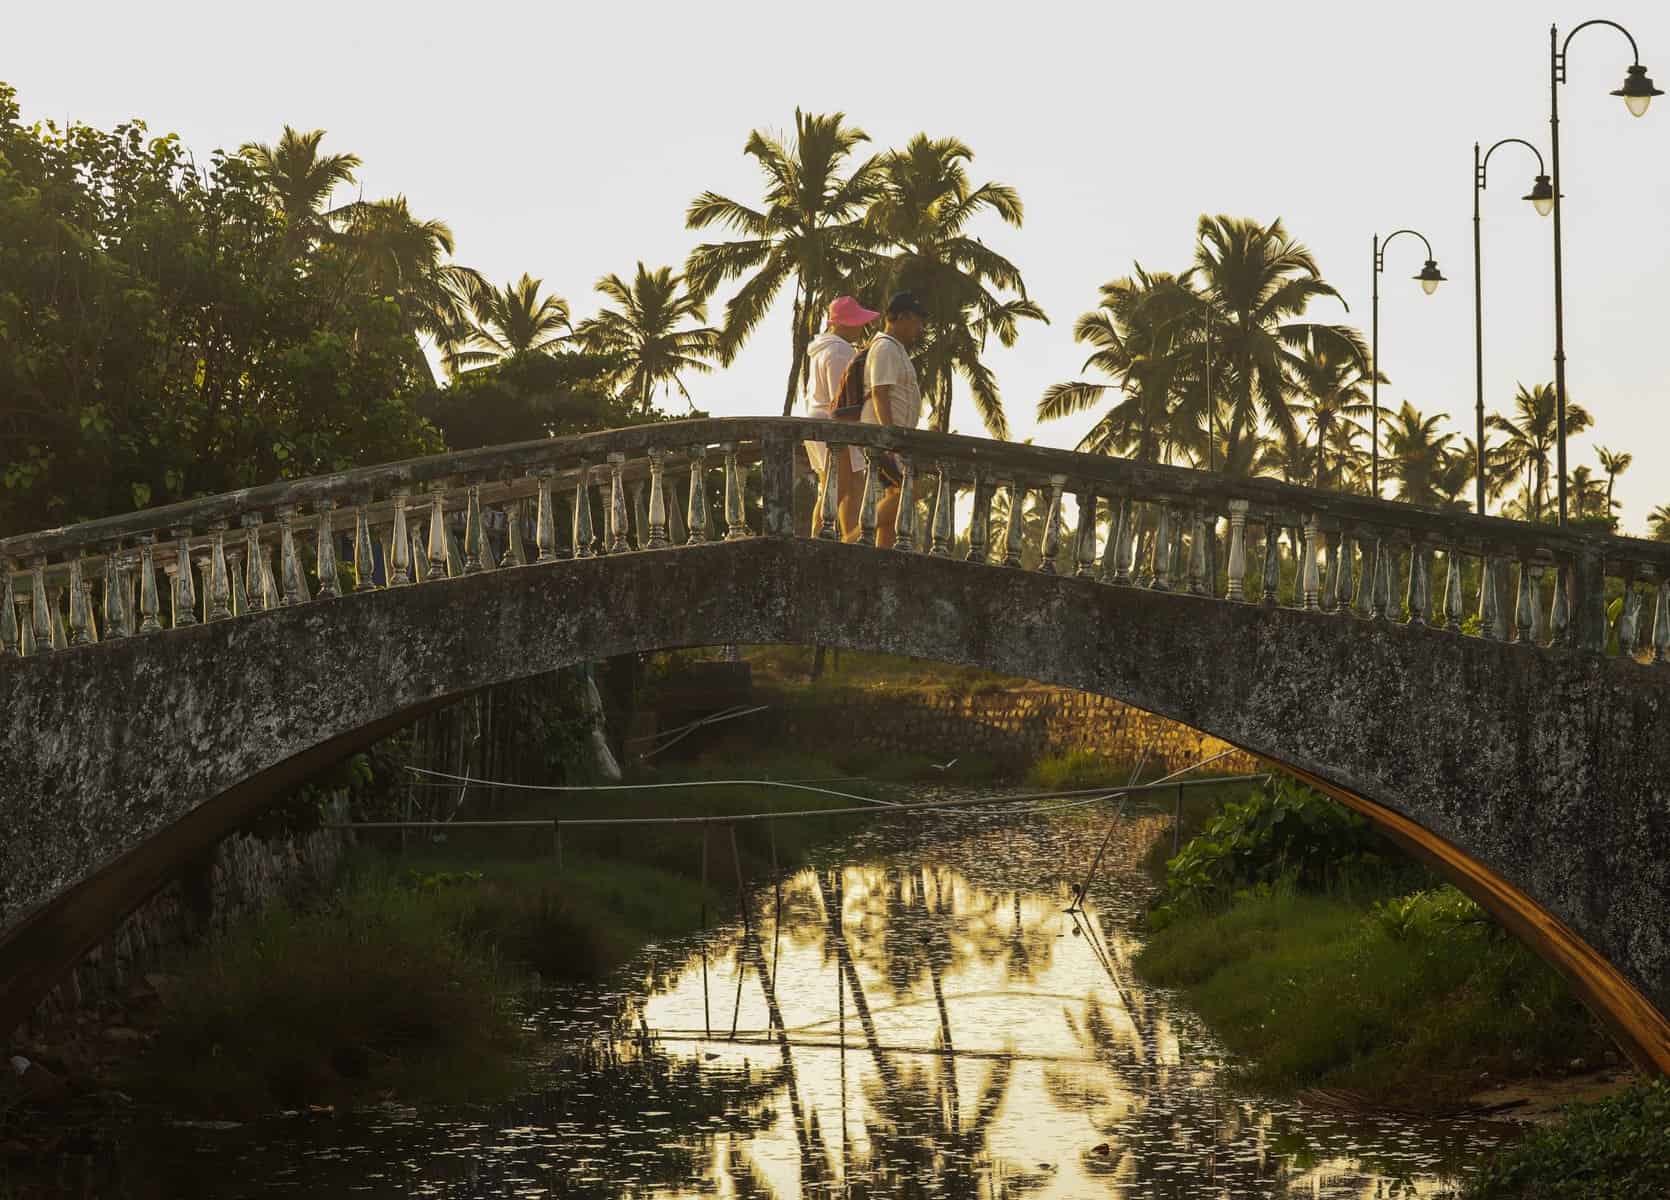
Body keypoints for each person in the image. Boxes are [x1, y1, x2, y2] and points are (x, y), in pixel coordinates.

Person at [838, 291, 928, 546]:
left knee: (895, 496)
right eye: (918, 321)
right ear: (904, 317)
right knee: (908, 492)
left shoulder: (893, 348)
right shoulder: (886, 347)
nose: (919, 328)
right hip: (884, 438)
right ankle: (849, 542)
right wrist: (891, 438)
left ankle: (881, 555)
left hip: (890, 437)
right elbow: (880, 393)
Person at [803, 296, 878, 531]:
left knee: (850, 484)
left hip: (820, 420)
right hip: (835, 424)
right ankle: (816, 541)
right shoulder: (839, 351)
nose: (860, 327)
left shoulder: (821, 349)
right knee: (837, 488)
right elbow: (842, 395)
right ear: (843, 324)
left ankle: (849, 540)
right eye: (856, 322)